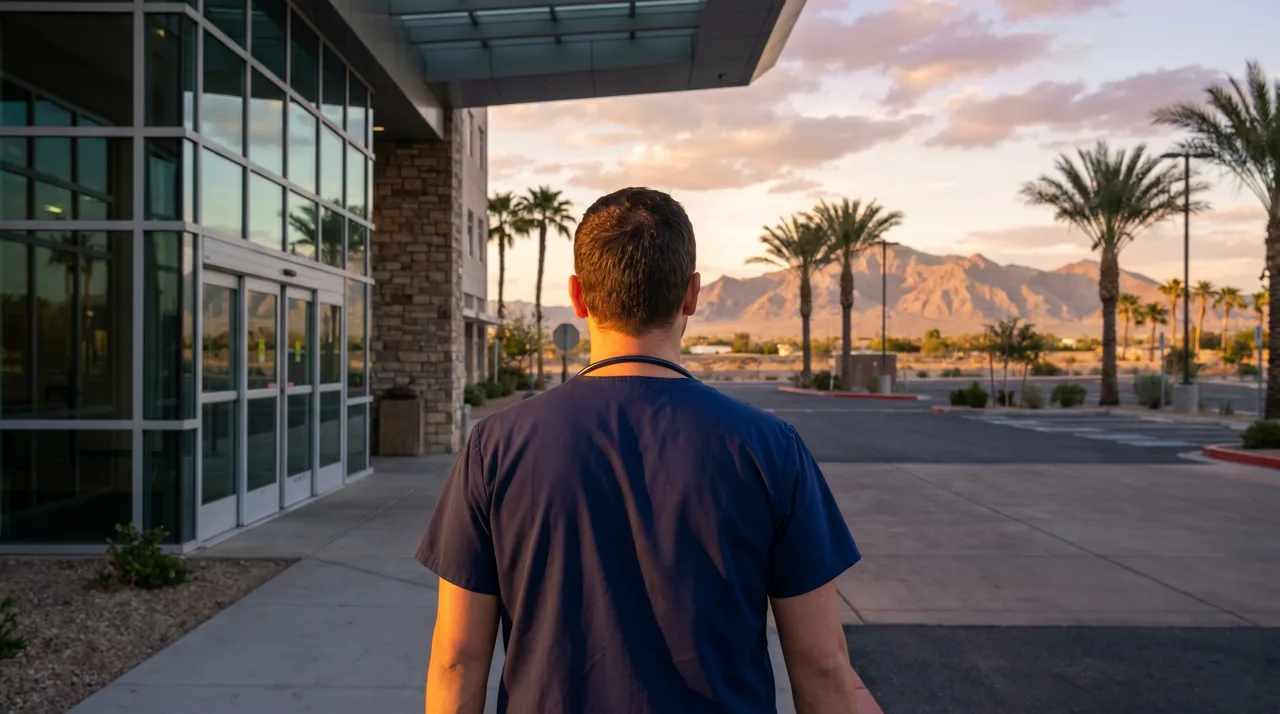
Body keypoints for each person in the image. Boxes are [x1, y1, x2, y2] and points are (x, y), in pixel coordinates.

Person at [417, 187, 862, 714]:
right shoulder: (770, 450)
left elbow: (457, 658)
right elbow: (821, 662)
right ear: (691, 296)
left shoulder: (496, 447)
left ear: (578, 297)